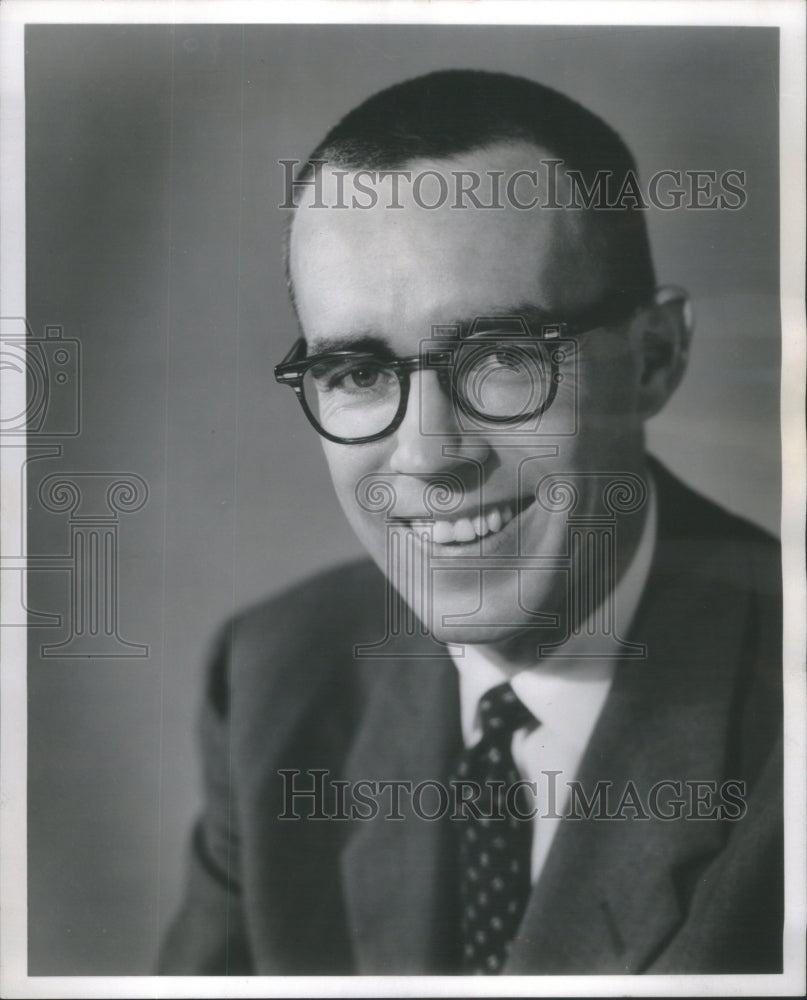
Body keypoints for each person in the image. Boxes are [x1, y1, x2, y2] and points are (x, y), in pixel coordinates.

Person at [158, 70, 782, 976]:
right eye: (357, 372)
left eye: (500, 358)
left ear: (653, 358)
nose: (426, 457)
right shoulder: (273, 680)